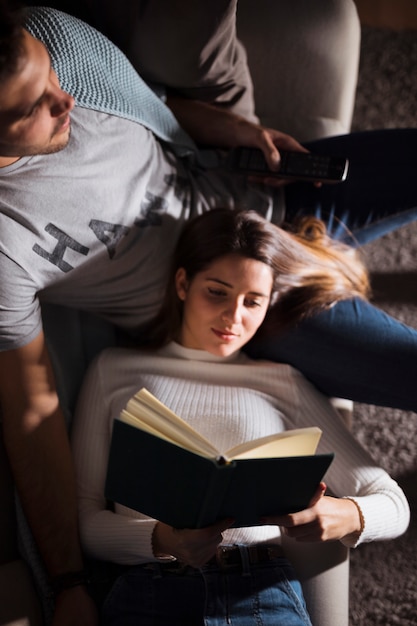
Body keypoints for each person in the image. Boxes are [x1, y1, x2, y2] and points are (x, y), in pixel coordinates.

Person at [0, 3, 416, 625]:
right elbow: (32, 411)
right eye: (34, 107)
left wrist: (225, 128)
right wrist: (66, 582)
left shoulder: (57, 42)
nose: (67, 102)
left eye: (53, 79)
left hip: (264, 191)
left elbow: (155, 108)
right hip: (254, 307)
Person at [71, 208, 410, 626]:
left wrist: (346, 516)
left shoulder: (282, 381)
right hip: (152, 592)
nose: (234, 318)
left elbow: (394, 503)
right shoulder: (113, 370)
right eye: (217, 292)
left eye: (253, 302)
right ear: (182, 283)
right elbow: (85, 521)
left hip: (261, 593)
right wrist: (165, 540)